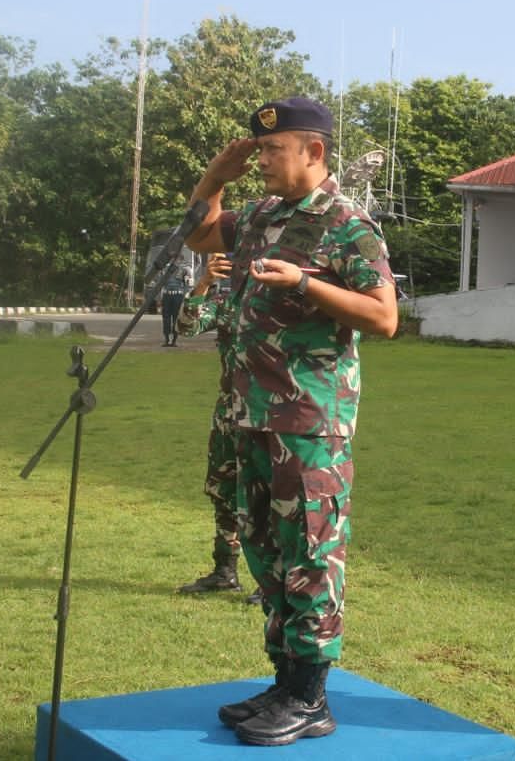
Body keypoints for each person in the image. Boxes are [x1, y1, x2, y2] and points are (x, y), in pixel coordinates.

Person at [184, 96, 397, 746]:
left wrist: (304, 284)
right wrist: (215, 176)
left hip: (309, 419)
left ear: (314, 151)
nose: (263, 161)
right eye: (259, 151)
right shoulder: (260, 215)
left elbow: (384, 316)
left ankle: (311, 696)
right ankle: (284, 681)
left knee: (310, 552)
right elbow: (197, 235)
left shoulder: (346, 223)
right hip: (251, 414)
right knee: (266, 550)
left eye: (273, 150)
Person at [173, 253, 262, 606]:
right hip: (228, 414)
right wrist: (204, 283)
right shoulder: (228, 304)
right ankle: (225, 572)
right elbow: (185, 327)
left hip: (269, 415)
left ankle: (270, 580)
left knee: (266, 498)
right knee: (223, 492)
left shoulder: (281, 305)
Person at [160, 263, 191, 347]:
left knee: (176, 318)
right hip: (167, 295)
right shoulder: (164, 269)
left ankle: (174, 340)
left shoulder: (184, 269)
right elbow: (160, 283)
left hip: (178, 296)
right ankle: (166, 339)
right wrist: (160, 297)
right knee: (166, 318)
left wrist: (185, 296)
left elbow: (187, 284)